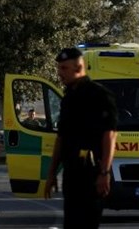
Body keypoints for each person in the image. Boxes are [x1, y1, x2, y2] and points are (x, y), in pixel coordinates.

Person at [45, 47, 118, 229]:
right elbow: (61, 137)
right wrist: (52, 172)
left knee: (87, 223)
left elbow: (109, 135)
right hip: (72, 173)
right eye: (59, 68)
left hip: (92, 173)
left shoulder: (99, 95)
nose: (59, 73)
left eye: (64, 68)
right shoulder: (69, 97)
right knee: (71, 223)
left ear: (78, 68)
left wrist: (104, 172)